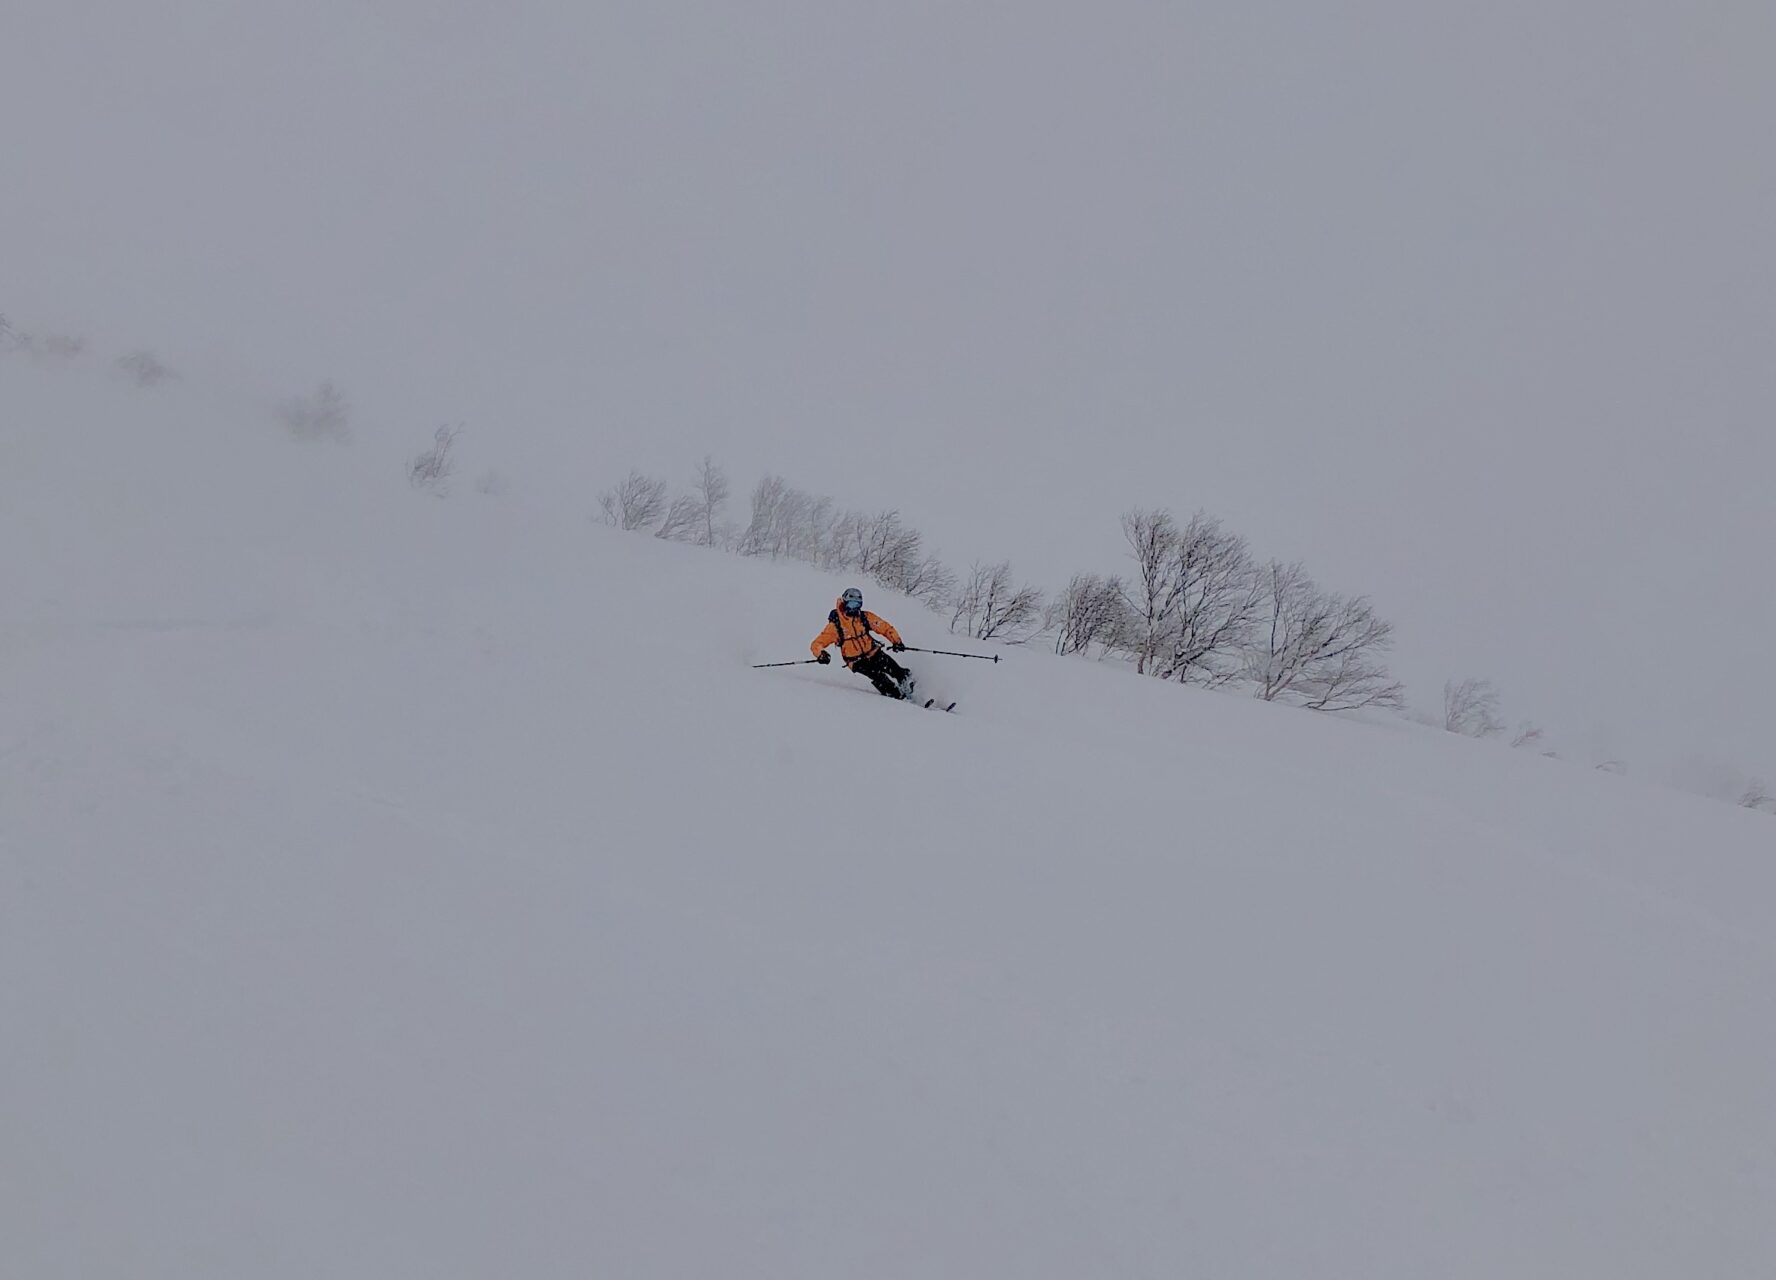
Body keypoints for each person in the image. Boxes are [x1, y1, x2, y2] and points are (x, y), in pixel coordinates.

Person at [810, 587, 914, 699]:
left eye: (857, 605)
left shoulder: (865, 617)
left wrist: (896, 641)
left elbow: (885, 627)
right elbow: (816, 644)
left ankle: (913, 690)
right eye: (851, 604)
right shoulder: (836, 626)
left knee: (896, 669)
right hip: (856, 661)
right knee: (879, 677)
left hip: (873, 653)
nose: (853, 609)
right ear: (844, 603)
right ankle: (897, 697)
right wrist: (821, 654)